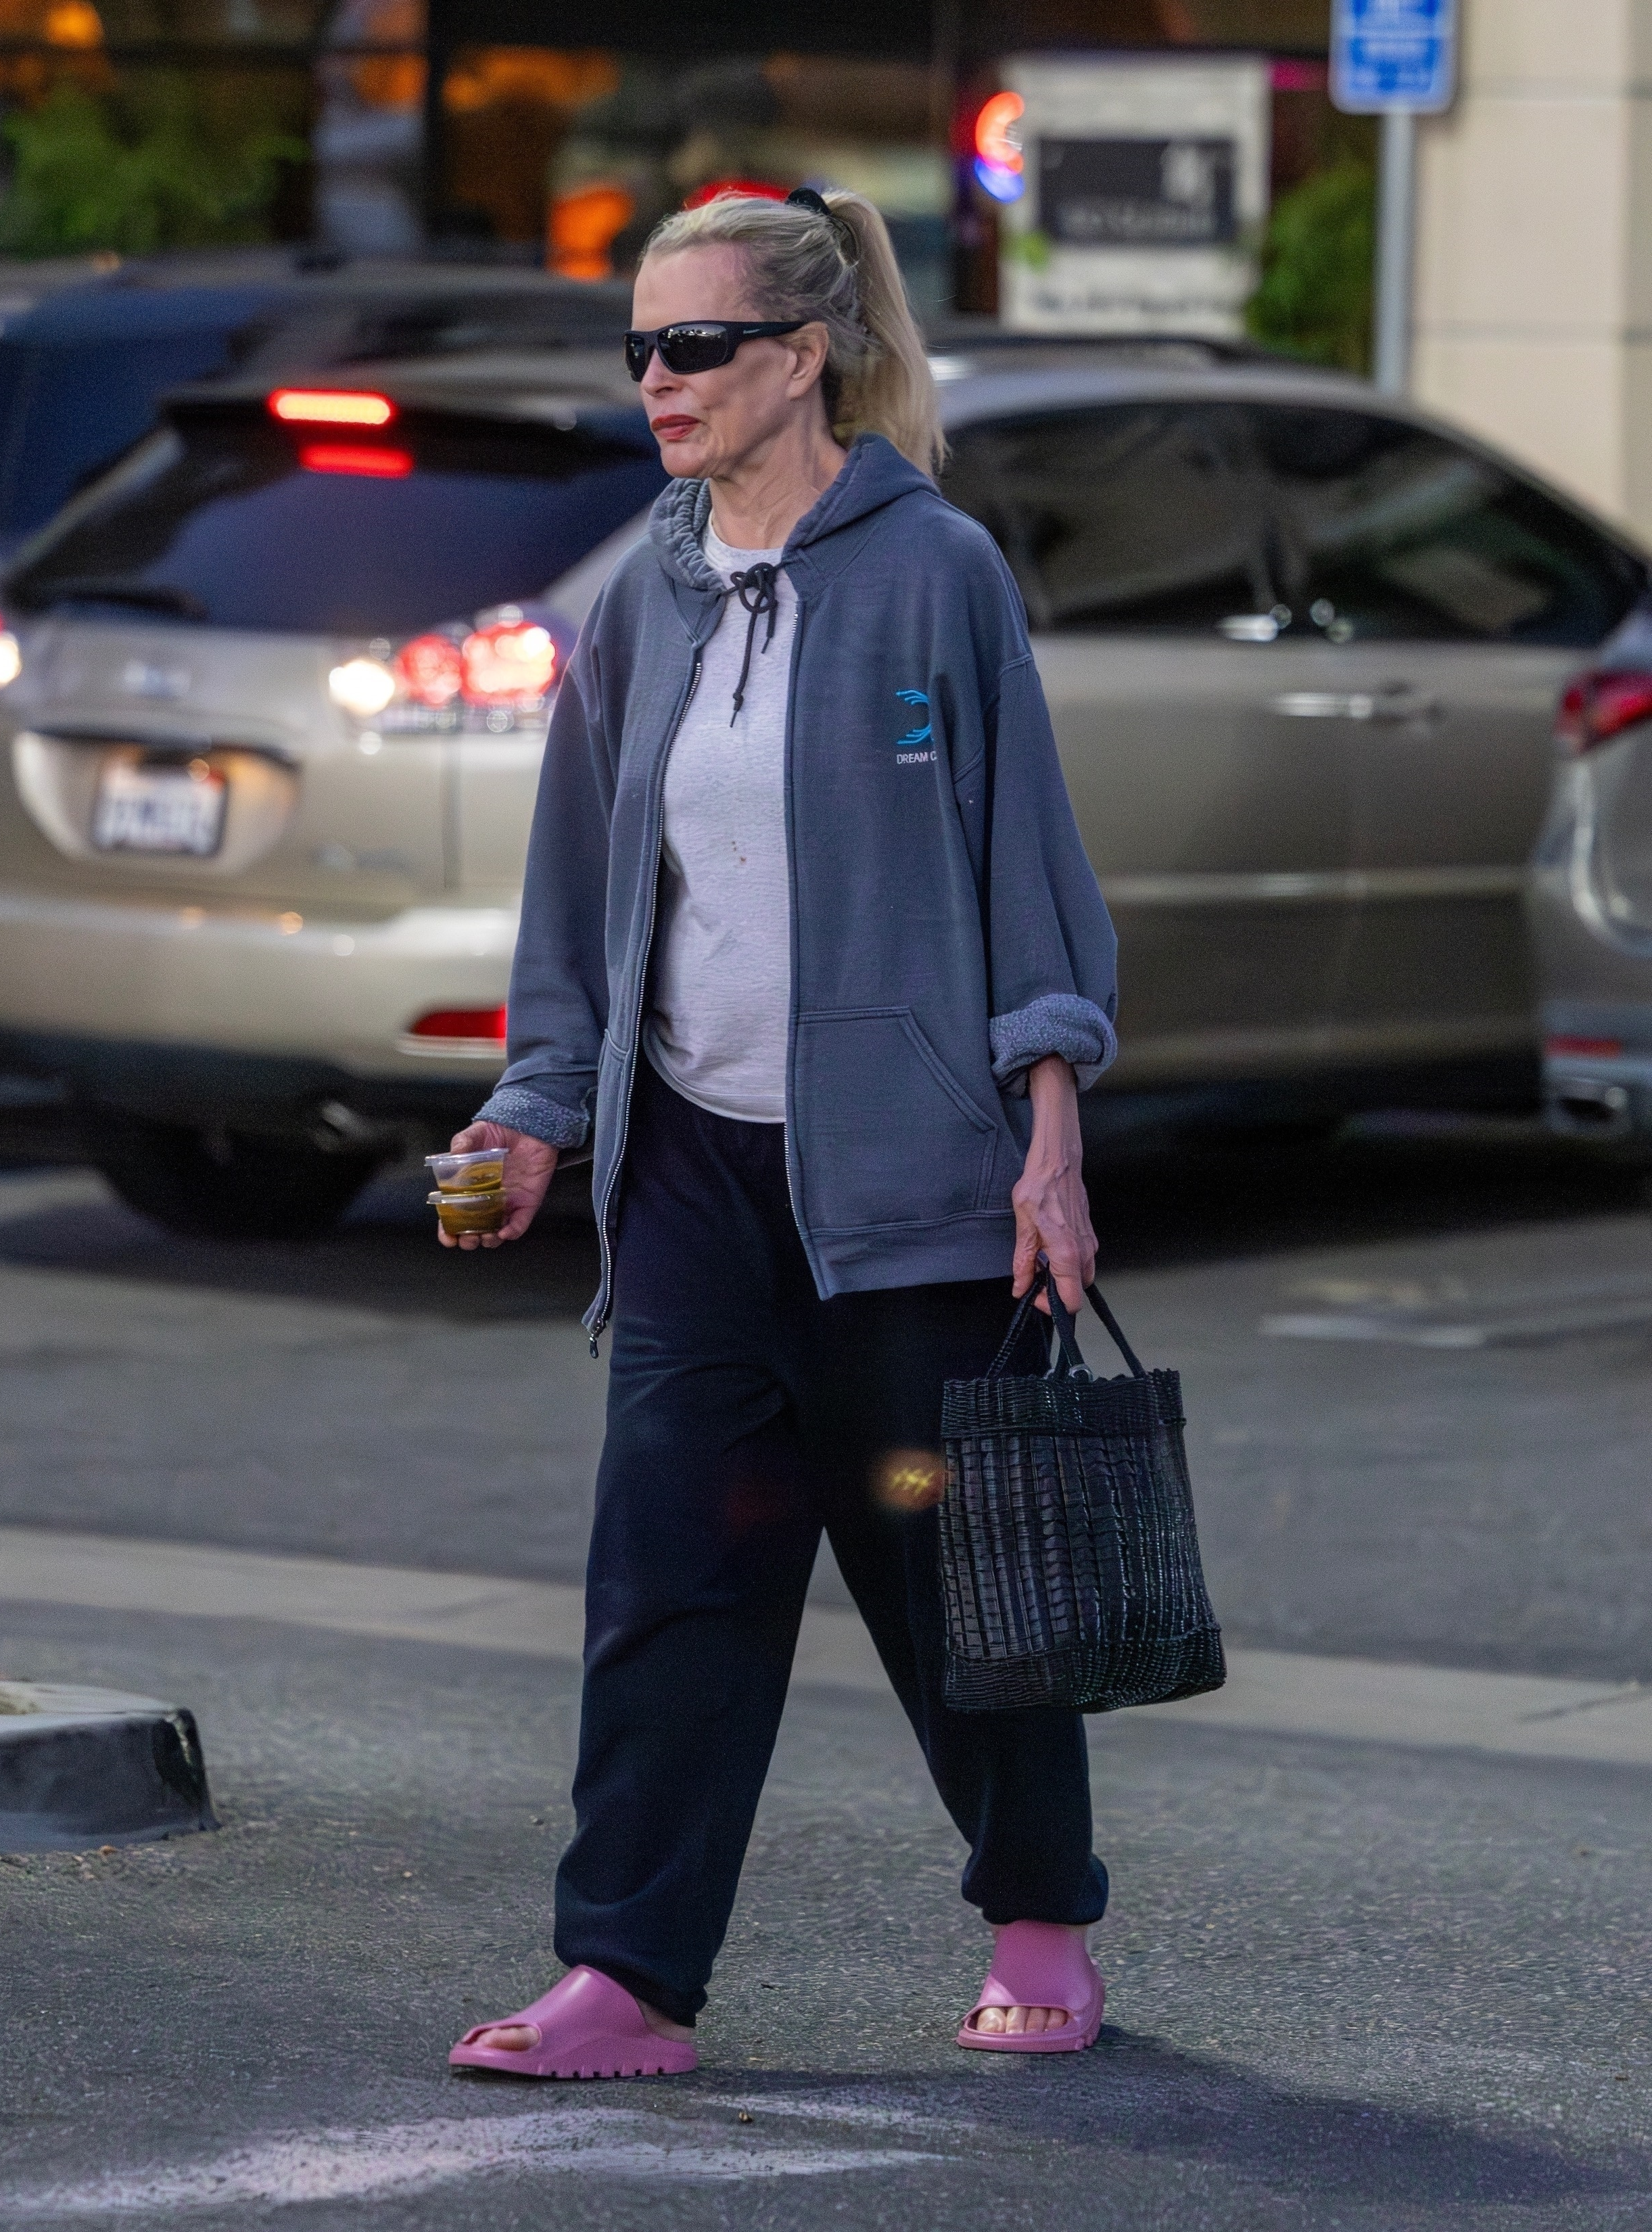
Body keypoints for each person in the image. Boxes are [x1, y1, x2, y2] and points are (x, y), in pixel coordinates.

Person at [440, 184, 1120, 2080]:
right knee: (669, 1579)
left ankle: (1040, 1911)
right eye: (638, 349)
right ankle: (626, 1977)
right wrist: (537, 1112)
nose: (655, 382)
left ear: (799, 357)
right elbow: (576, 889)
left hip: (918, 1186)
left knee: (955, 1581)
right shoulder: (640, 589)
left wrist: (1047, 1139)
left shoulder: (933, 574)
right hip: (693, 1184)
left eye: (694, 347)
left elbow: (1028, 877)